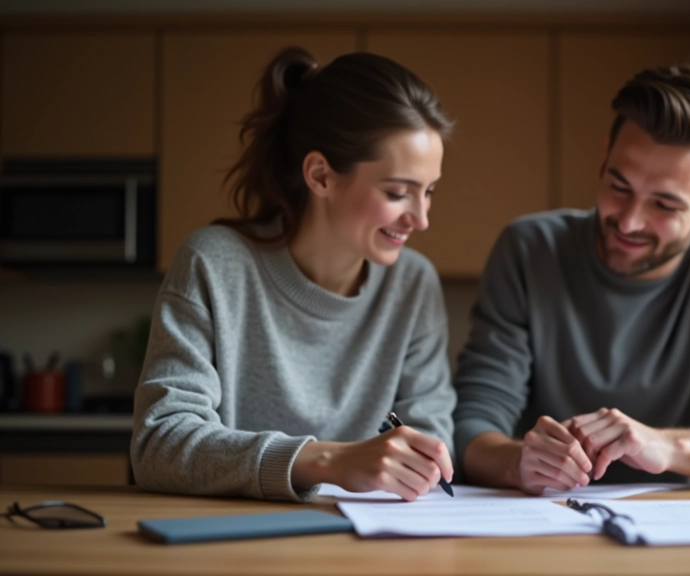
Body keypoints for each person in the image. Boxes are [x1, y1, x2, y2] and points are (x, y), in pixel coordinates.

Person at [454, 65, 690, 494]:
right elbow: (472, 425)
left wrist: (668, 446)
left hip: (682, 539)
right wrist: (518, 464)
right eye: (619, 186)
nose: (629, 221)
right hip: (546, 522)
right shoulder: (529, 249)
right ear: (604, 158)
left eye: (664, 205)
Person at [132, 47, 456, 502]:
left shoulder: (414, 284)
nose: (420, 219)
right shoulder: (213, 263)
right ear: (321, 175)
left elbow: (433, 439)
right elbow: (159, 443)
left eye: (430, 193)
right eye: (399, 193)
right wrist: (329, 461)